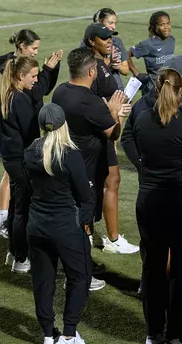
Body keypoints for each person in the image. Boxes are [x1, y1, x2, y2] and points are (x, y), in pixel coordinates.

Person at [131, 63, 182, 344]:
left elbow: (139, 151)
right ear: (181, 87)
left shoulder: (141, 118)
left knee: (152, 268)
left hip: (150, 203)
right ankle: (175, 333)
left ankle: (154, 333)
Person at [52, 47, 129, 291]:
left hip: (66, 163)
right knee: (82, 222)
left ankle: (81, 267)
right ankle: (80, 274)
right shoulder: (91, 101)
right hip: (87, 170)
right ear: (92, 71)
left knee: (75, 218)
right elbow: (112, 132)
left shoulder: (60, 93)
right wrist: (115, 114)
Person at [23, 103, 95, 344]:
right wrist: (86, 184)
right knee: (80, 277)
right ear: (64, 124)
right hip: (65, 228)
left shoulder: (31, 152)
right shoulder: (70, 155)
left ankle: (47, 334)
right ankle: (68, 334)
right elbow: (84, 196)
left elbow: (30, 189)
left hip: (37, 227)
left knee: (43, 282)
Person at [0, 51, 62, 273]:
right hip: (21, 161)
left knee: (16, 207)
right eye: (33, 76)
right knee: (23, 210)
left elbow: (37, 92)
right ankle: (22, 258)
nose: (36, 79)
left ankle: (14, 252)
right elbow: (31, 134)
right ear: (19, 76)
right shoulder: (20, 101)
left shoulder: (9, 94)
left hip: (11, 160)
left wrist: (49, 71)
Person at [82, 23, 139, 254]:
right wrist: (113, 110)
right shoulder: (92, 68)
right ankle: (92, 239)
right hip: (96, 134)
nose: (110, 41)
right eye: (104, 38)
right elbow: (89, 100)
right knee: (90, 187)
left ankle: (112, 238)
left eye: (111, 37)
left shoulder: (102, 66)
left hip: (105, 131)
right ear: (90, 42)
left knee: (112, 179)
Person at [130, 11, 175, 95]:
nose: (166, 27)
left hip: (168, 90)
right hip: (152, 91)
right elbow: (127, 54)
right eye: (162, 24)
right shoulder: (148, 44)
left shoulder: (172, 40)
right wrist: (136, 73)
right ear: (155, 27)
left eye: (168, 23)